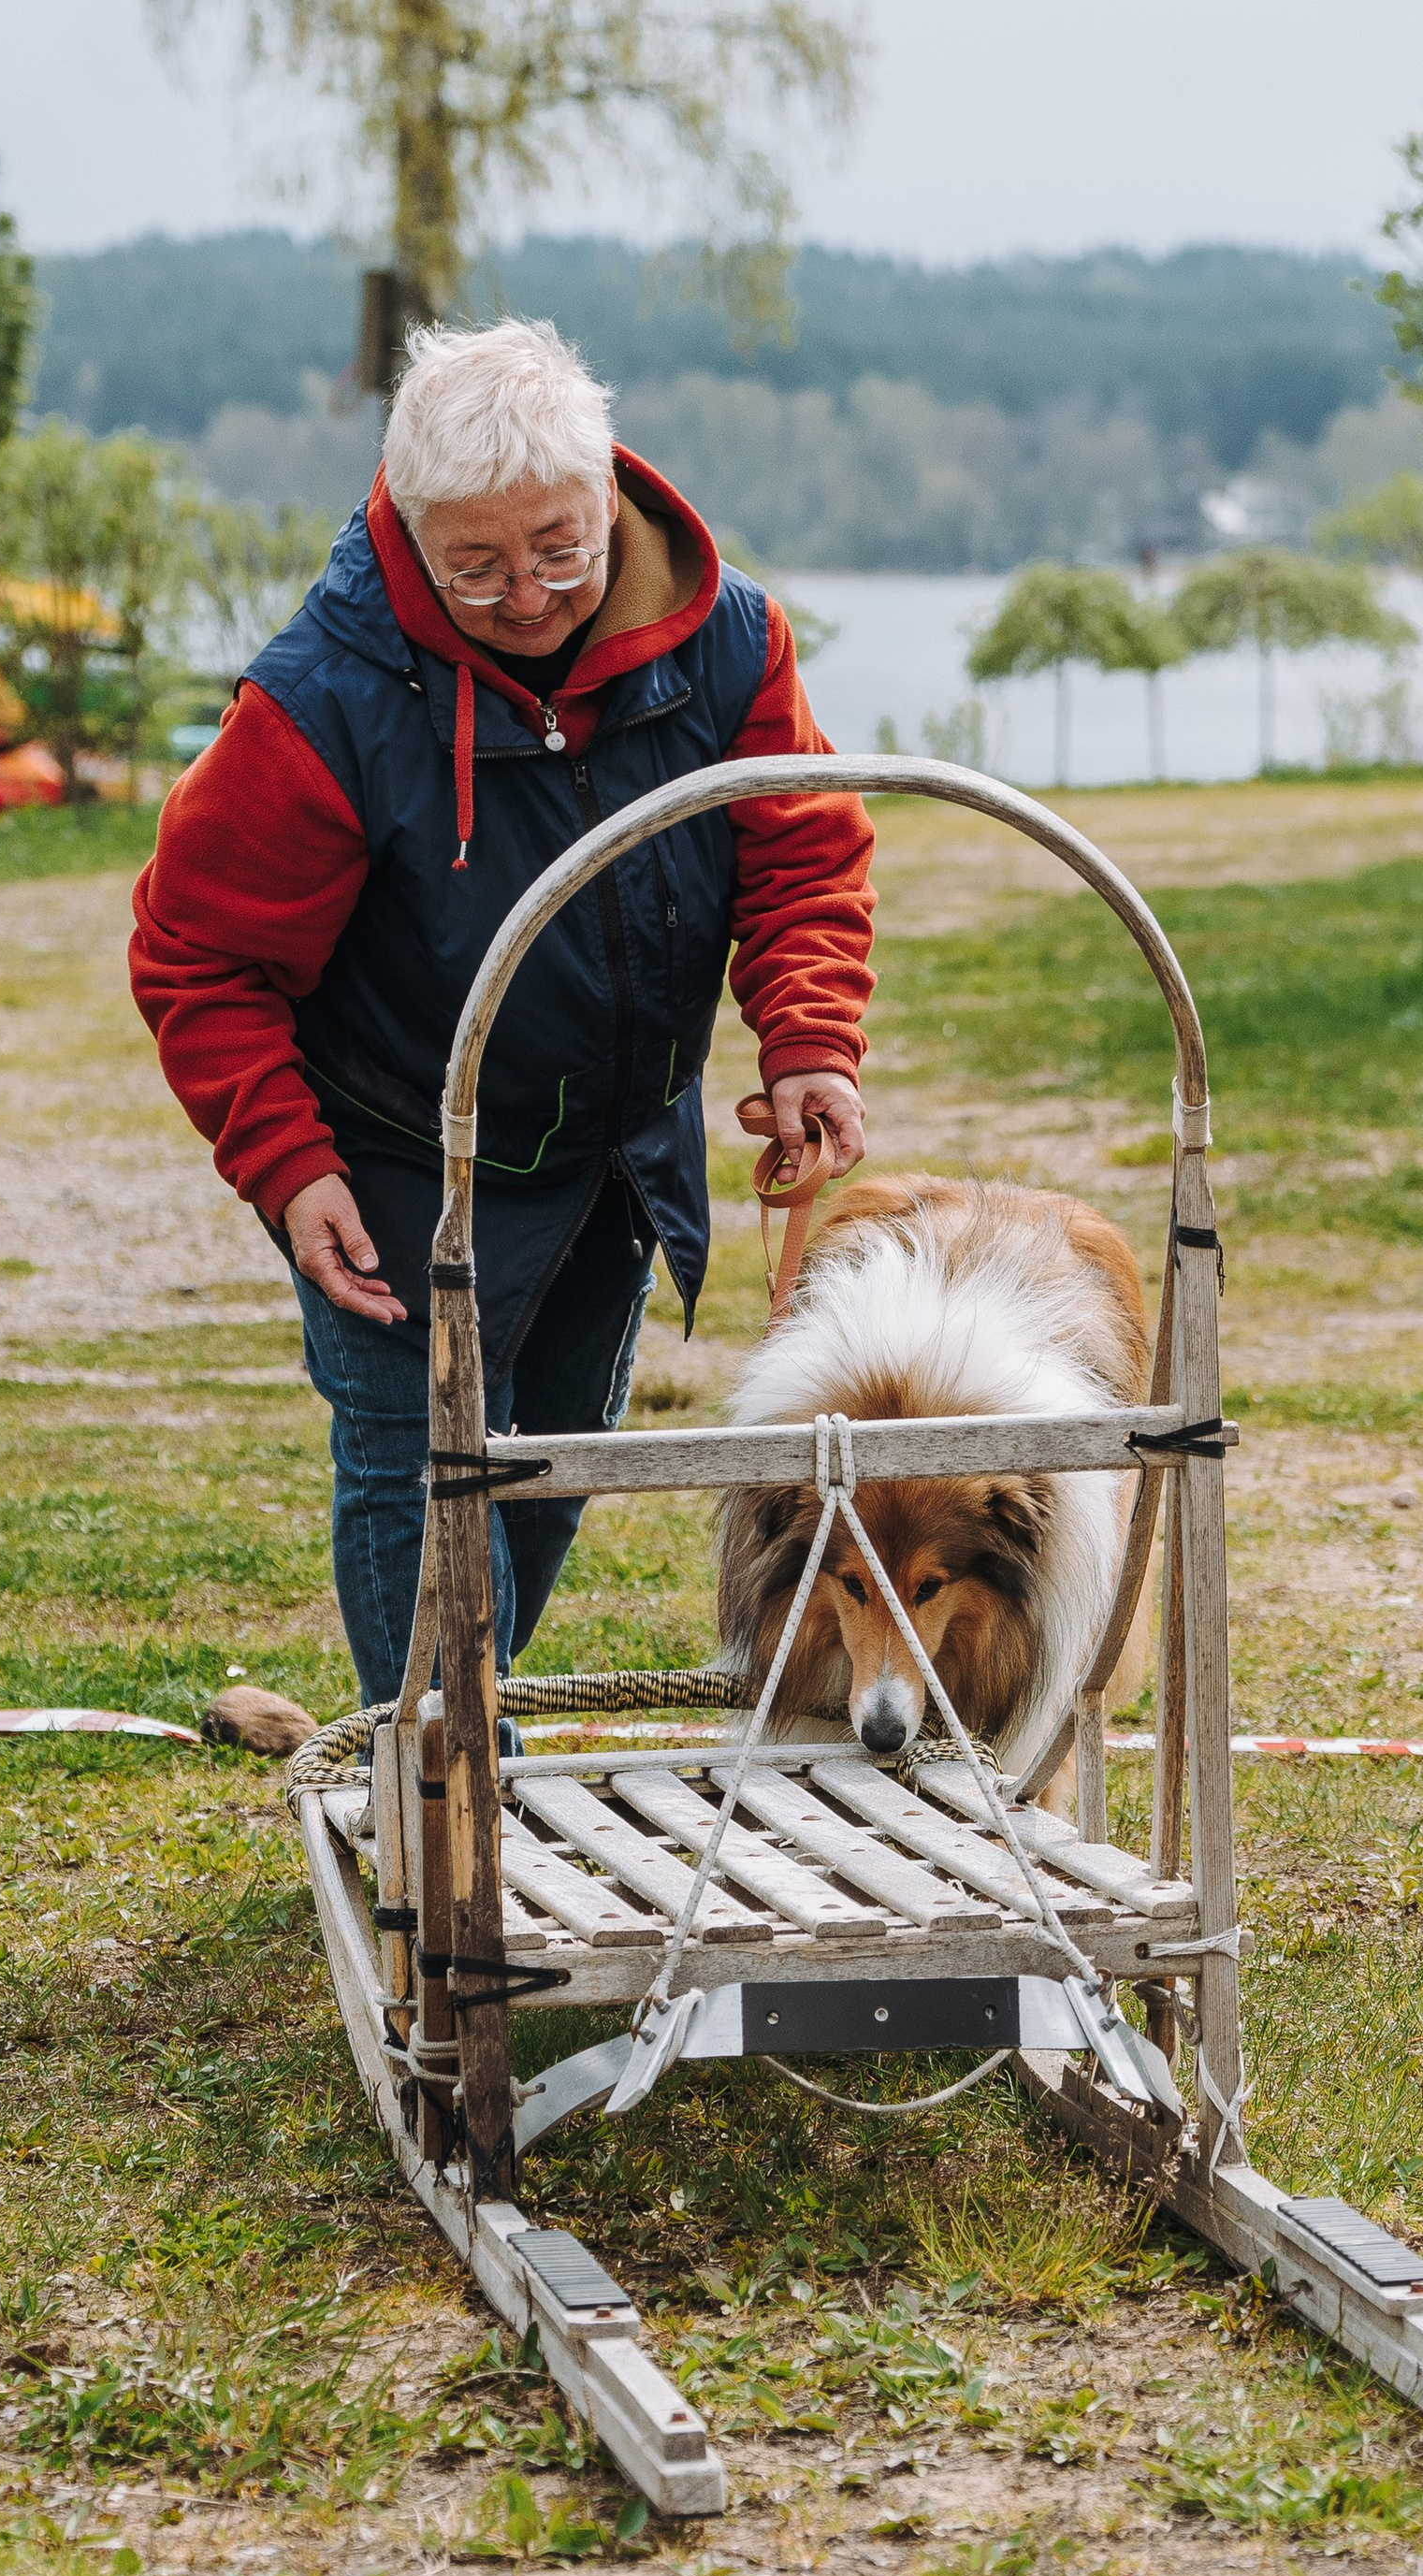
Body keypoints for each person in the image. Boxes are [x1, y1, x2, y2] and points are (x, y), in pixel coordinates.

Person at [130, 315, 875, 1713]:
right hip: (397, 1157)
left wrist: (808, 1039)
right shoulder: (324, 703)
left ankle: (440, 1735)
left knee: (542, 1469)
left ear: (610, 498)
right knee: (419, 1472)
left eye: (557, 548)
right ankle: (441, 1799)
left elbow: (799, 849)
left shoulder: (730, 643)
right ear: (411, 531)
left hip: (610, 1160)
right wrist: (293, 1170)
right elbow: (198, 955)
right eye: (476, 563)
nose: (527, 594)